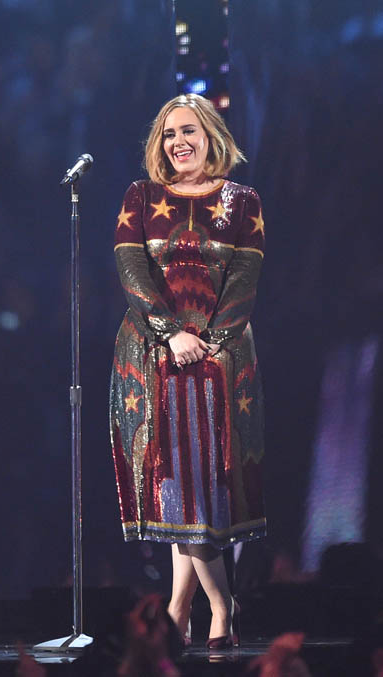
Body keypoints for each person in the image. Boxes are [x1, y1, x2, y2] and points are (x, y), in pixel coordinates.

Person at [109, 94, 266, 647]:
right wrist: (170, 333)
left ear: (211, 136)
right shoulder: (141, 196)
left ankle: (201, 606)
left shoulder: (242, 201)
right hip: (154, 355)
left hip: (220, 361)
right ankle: (205, 607)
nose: (179, 142)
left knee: (204, 488)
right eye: (169, 133)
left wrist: (211, 344)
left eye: (189, 131)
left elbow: (243, 282)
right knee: (175, 485)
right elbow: (132, 271)